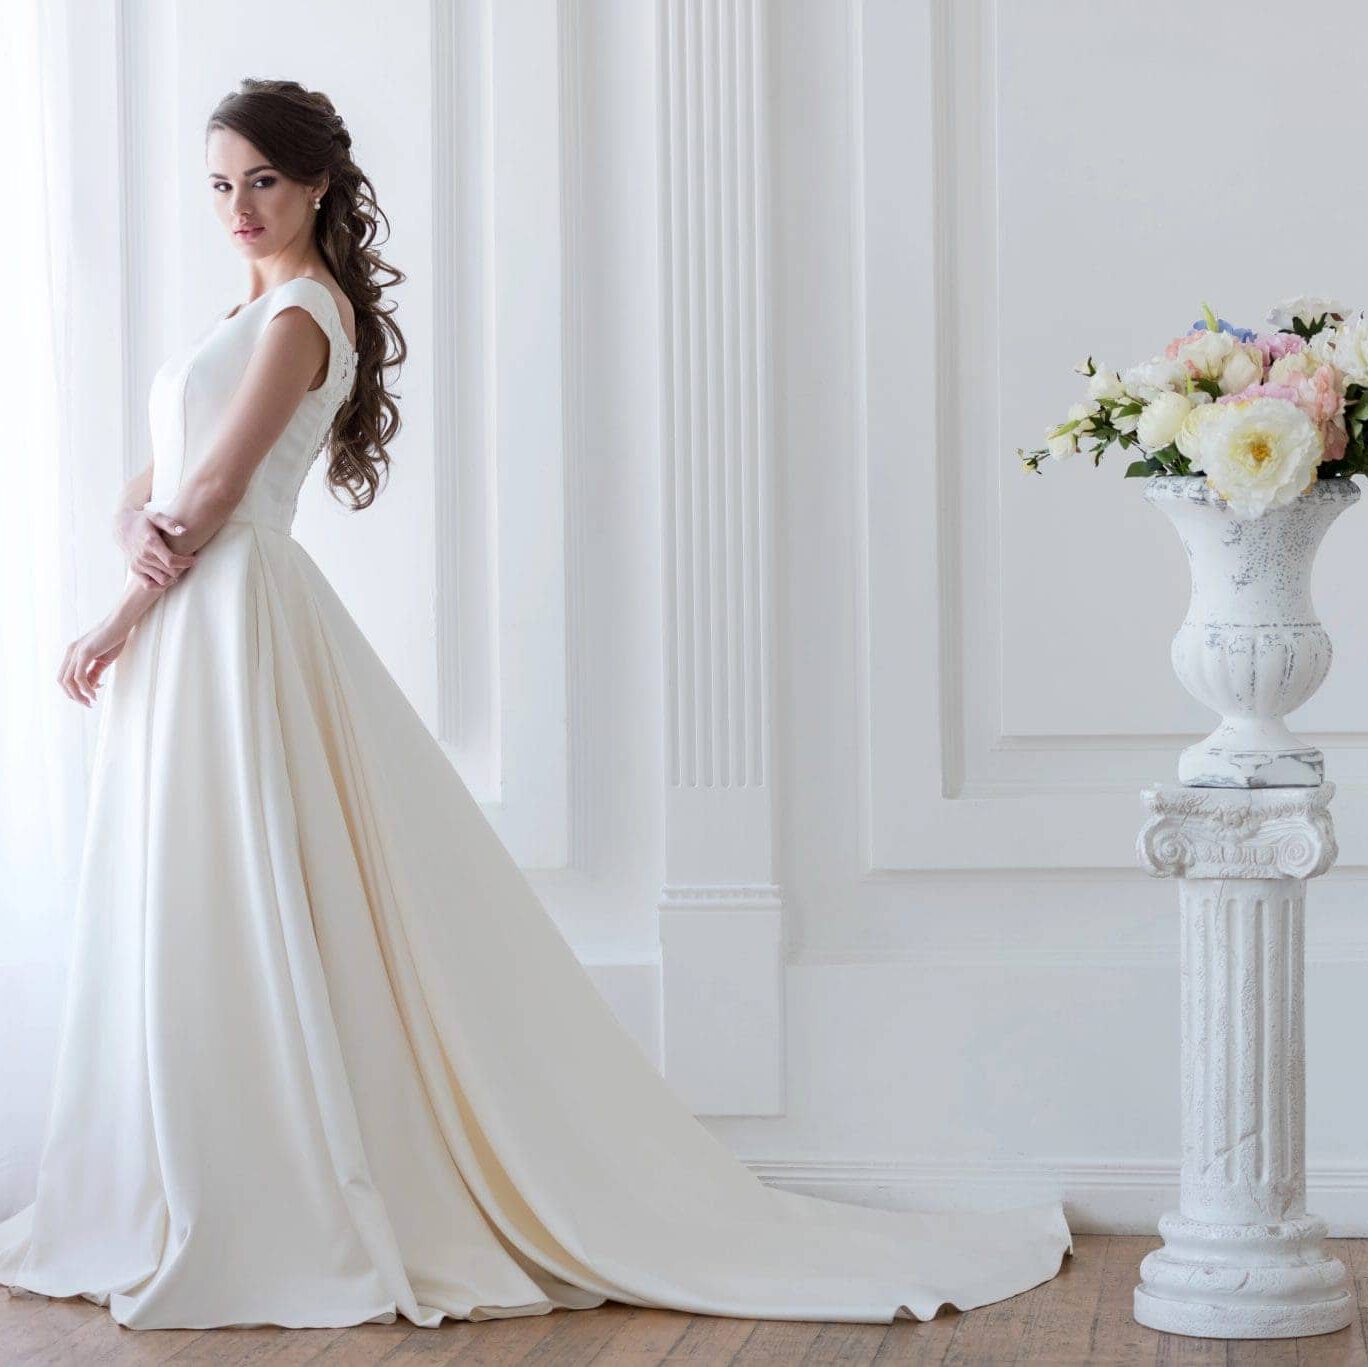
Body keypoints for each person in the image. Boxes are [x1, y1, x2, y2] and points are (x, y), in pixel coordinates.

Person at [0, 78, 1071, 1332]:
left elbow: (219, 489)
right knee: (204, 888)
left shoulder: (301, 313)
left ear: (318, 185)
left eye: (264, 181)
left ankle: (275, 1181)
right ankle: (193, 1167)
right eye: (221, 183)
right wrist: (131, 539)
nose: (239, 206)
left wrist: (117, 612)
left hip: (230, 621)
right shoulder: (238, 315)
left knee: (256, 885)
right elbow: (151, 486)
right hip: (199, 620)